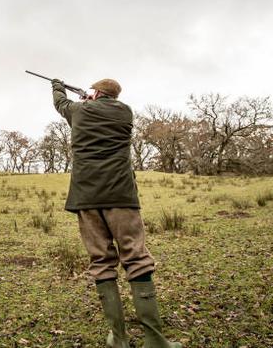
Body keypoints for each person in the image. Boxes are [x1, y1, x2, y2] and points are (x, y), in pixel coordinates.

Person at [51, 78, 181, 348]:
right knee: (136, 258)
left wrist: (57, 86)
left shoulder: (78, 111)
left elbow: (61, 104)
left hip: (86, 198)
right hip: (121, 195)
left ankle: (119, 339)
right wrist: (89, 98)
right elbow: (95, 109)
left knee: (101, 261)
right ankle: (154, 340)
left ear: (96, 93)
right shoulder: (125, 112)